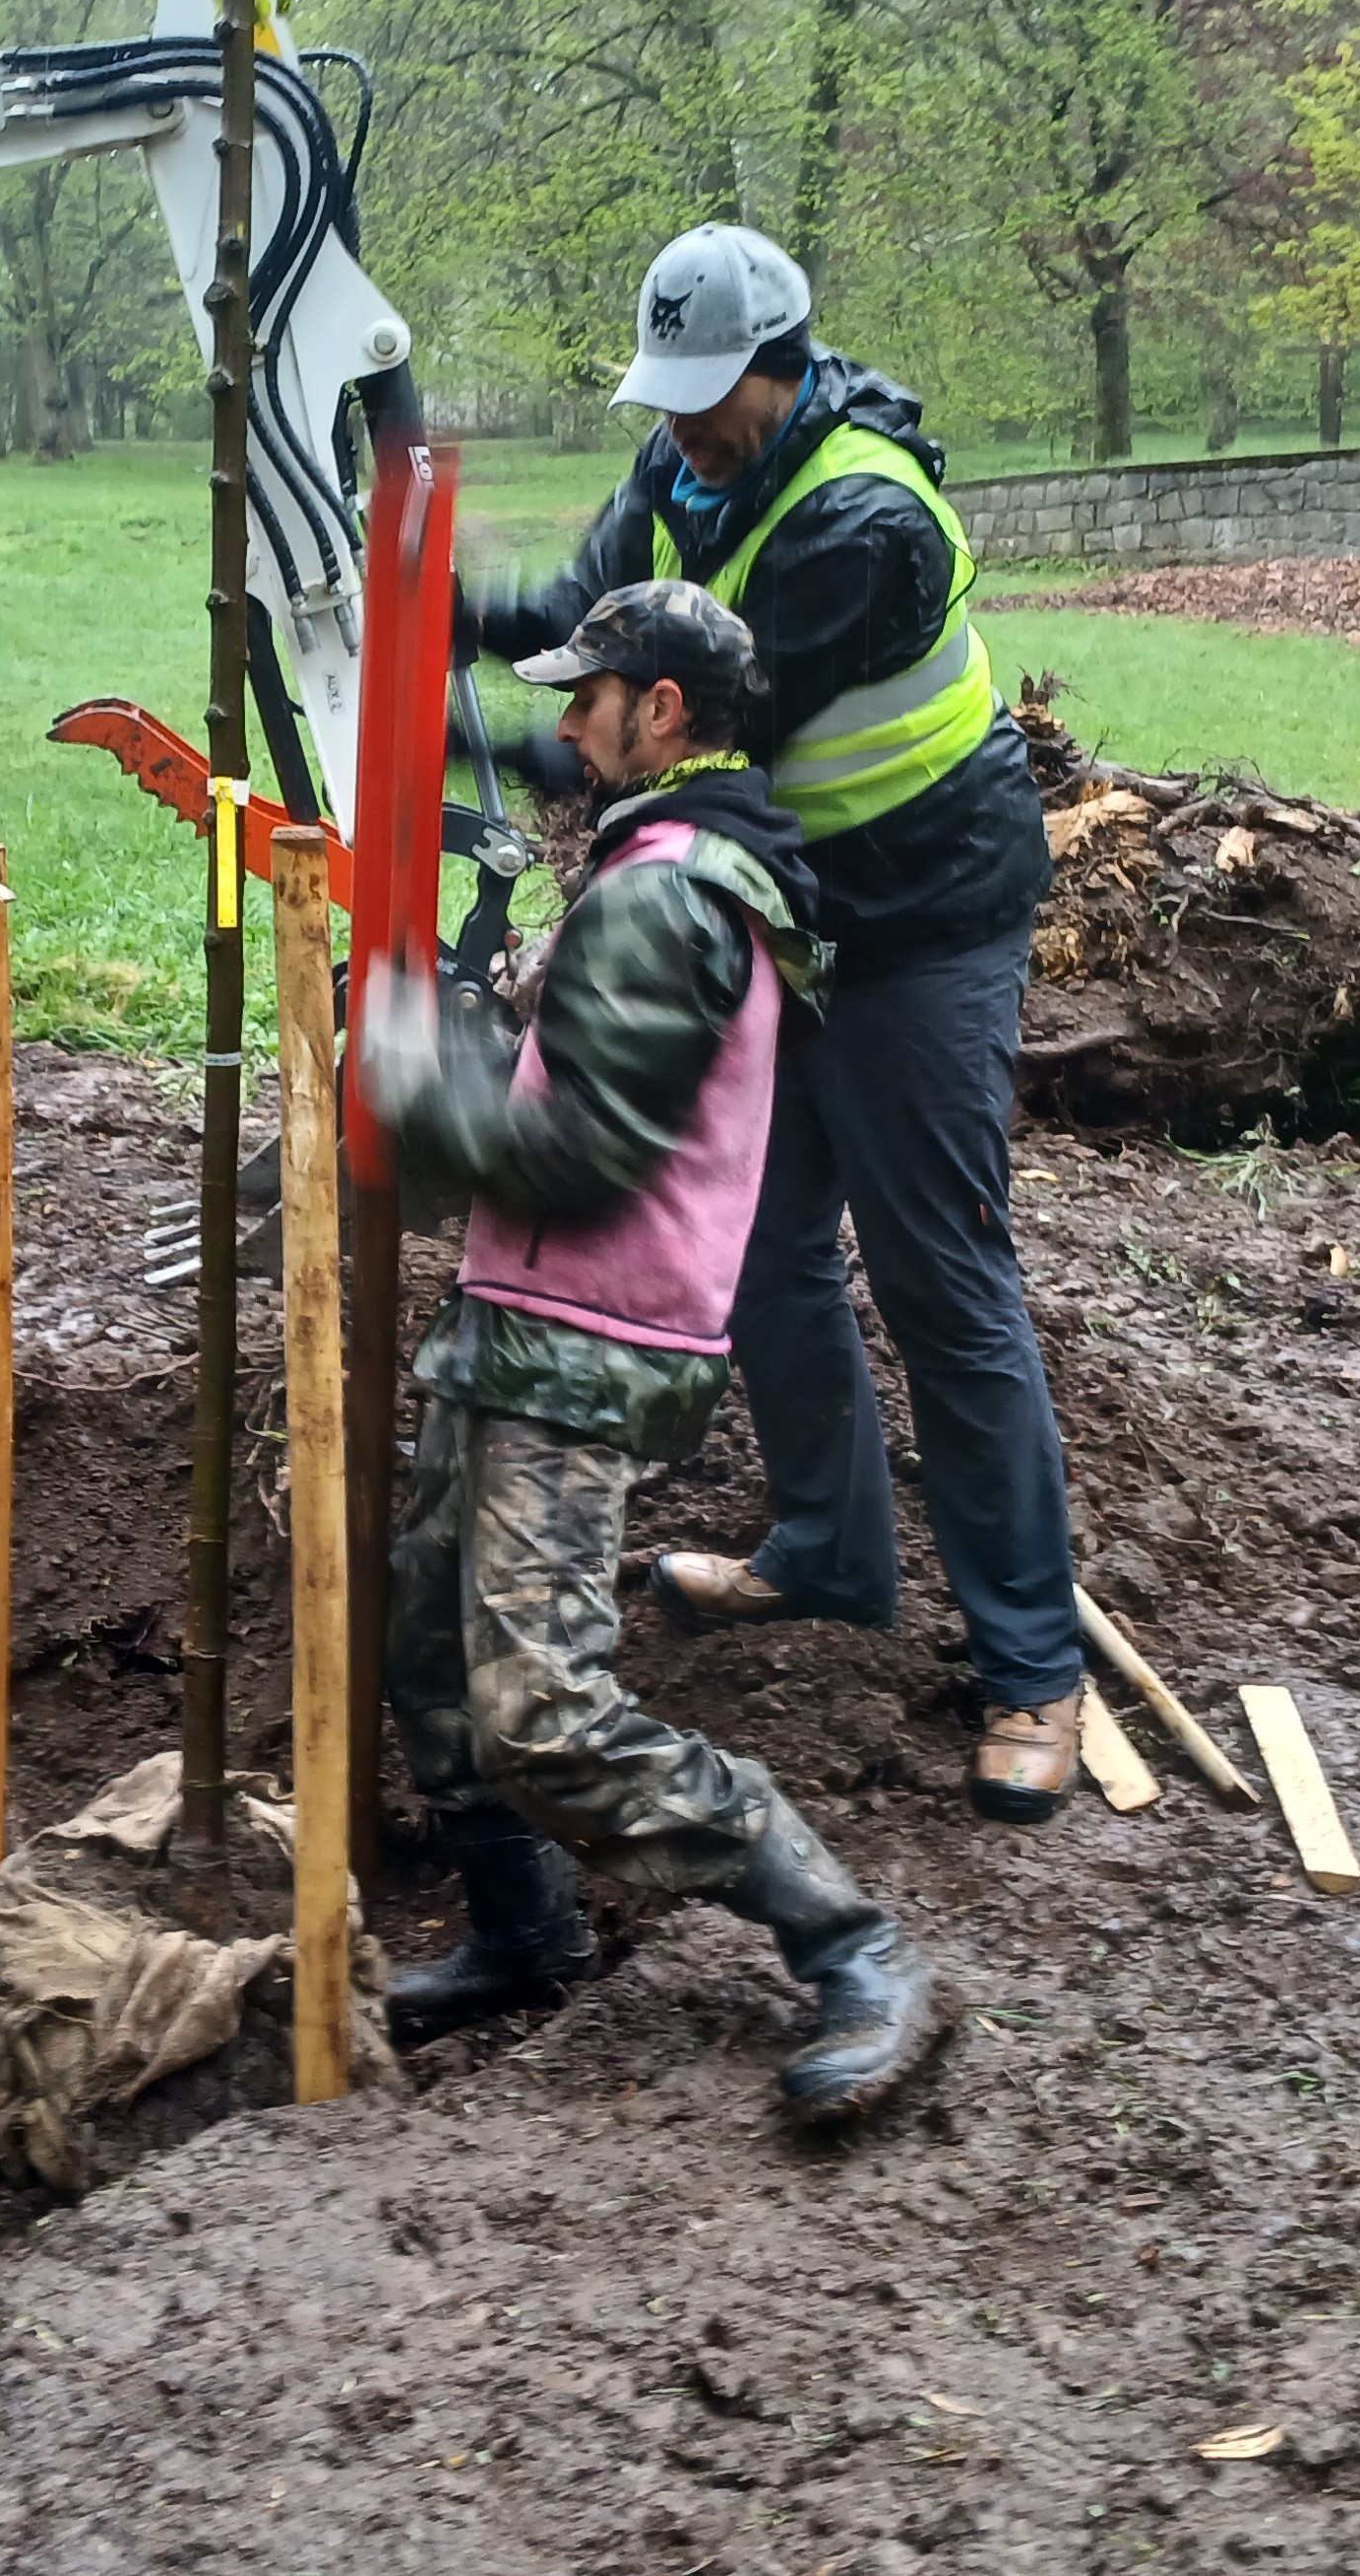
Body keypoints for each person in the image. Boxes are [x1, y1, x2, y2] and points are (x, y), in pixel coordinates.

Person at [465, 223, 1087, 1825]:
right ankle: (827, 1550)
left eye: (706, 395)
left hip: (923, 915)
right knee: (766, 1249)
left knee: (940, 1274)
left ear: (782, 364)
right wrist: (446, 616)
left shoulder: (863, 520)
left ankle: (1034, 1670)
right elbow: (590, 609)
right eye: (664, 397)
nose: (680, 425)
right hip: (790, 908)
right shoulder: (686, 466)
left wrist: (492, 753)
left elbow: (698, 733)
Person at [356, 580, 942, 2126]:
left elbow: (590, 1151)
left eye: (587, 698)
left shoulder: (671, 893)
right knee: (429, 1655)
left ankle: (855, 1946)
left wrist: (411, 1085)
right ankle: (525, 1934)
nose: (564, 726)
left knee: (541, 1712)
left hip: (587, 1343)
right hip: (520, 1315)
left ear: (664, 711)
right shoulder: (652, 861)